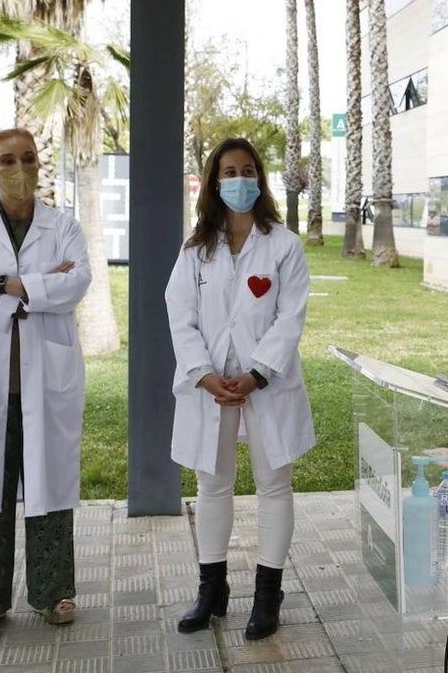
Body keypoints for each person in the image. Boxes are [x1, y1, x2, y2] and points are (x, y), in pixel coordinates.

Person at [165, 137, 315, 640]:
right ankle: (212, 590)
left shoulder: (284, 245)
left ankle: (268, 596)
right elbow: (179, 316)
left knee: (274, 484)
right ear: (213, 181)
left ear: (260, 178)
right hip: (211, 384)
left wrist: (256, 374)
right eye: (229, 171)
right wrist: (205, 375)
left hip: (264, 383)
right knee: (213, 484)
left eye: (248, 170)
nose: (239, 180)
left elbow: (290, 317)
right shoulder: (195, 250)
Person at [0, 128, 92, 634]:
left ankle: (54, 594)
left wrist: (0, 283)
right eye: (7, 160)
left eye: (28, 158)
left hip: (46, 378)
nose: (19, 168)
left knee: (49, 483)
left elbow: (77, 284)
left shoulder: (63, 225)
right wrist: (33, 289)